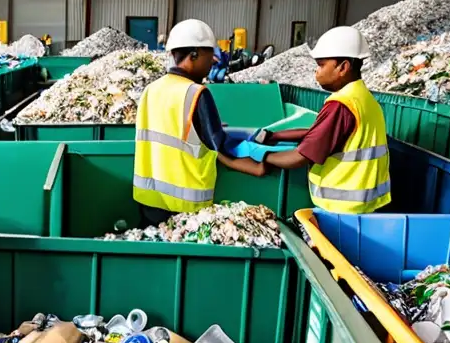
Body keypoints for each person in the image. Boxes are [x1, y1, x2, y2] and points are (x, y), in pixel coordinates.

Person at [133, 19, 266, 227]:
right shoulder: (196, 93)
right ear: (194, 54)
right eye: (209, 53)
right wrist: (263, 158)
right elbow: (222, 146)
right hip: (185, 210)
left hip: (148, 201)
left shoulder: (151, 90)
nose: (214, 60)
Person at [254, 26, 390, 214]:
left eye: (321, 65)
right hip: (365, 205)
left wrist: (260, 154)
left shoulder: (341, 105)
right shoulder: (363, 99)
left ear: (343, 67)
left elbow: (299, 157)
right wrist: (275, 135)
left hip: (342, 208)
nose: (316, 72)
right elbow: (320, 134)